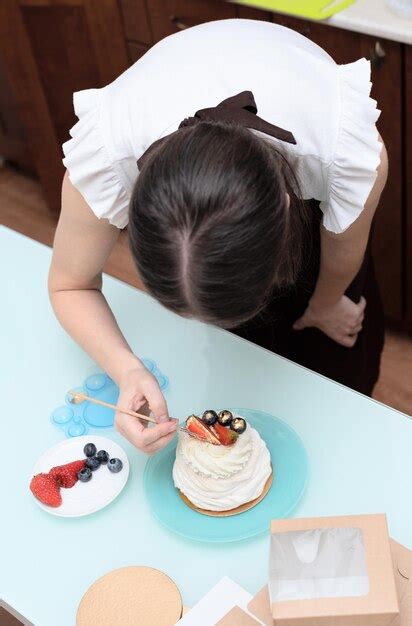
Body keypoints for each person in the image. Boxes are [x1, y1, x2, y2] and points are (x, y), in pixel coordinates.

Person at [49, 19, 388, 455]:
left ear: (287, 208)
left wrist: (325, 304)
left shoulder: (344, 149)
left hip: (307, 176)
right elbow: (68, 283)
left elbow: (343, 248)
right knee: (241, 374)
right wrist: (128, 370)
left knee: (341, 370)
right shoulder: (107, 153)